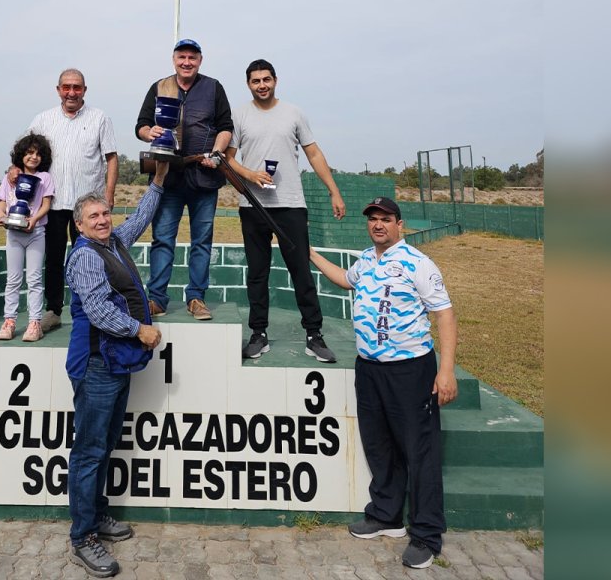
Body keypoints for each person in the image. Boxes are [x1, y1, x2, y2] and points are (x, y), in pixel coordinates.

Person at [309, 196, 458, 569]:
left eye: (386, 219)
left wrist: (446, 371)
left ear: (399, 224)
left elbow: (445, 315)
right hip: (370, 368)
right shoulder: (367, 260)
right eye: (373, 219)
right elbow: (345, 280)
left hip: (410, 369)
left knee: (418, 450)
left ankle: (426, 533)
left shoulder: (417, 264)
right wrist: (308, 252)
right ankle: (386, 516)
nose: (378, 225)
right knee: (379, 444)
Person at [63, 161, 168, 578]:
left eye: (106, 213)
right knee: (89, 451)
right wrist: (139, 329)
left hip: (113, 363)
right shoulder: (86, 257)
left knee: (104, 445)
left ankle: (97, 514)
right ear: (80, 226)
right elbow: (100, 312)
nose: (103, 220)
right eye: (94, 217)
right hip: (95, 364)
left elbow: (140, 217)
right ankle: (83, 536)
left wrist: (158, 180)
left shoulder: (113, 243)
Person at [224, 59, 346, 363]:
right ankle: (258, 334)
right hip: (253, 207)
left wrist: (334, 190)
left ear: (275, 81)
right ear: (248, 84)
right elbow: (227, 159)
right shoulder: (238, 115)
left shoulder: (294, 113)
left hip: (290, 204)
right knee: (257, 273)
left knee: (301, 271)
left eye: (266, 79)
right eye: (255, 81)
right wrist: (250, 176)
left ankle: (314, 335)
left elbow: (314, 153)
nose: (262, 85)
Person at [135, 39, 233, 321]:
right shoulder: (159, 86)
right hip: (168, 177)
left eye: (192, 57)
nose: (186, 62)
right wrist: (149, 132)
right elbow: (140, 125)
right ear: (174, 59)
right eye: (182, 57)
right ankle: (157, 299)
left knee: (202, 241)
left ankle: (196, 298)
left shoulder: (214, 87)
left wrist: (216, 151)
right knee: (162, 239)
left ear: (200, 60)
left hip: (204, 177)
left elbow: (226, 127)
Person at [23, 68, 118, 333]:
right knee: (53, 258)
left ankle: (89, 308)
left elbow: (111, 158)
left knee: (89, 258)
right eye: (66, 87)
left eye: (77, 87)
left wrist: (109, 194)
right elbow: (24, 153)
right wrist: (13, 170)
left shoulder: (99, 118)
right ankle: (53, 310)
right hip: (52, 202)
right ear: (58, 90)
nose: (71, 92)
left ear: (85, 90)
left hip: (87, 205)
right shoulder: (42, 120)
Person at [0, 133, 55, 342]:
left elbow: (46, 204)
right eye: (29, 153)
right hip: (14, 233)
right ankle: (9, 321)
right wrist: (1, 215)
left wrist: (34, 219)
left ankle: (34, 323)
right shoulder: (10, 177)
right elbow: (2, 202)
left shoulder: (45, 178)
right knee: (13, 280)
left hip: (36, 233)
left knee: (34, 279)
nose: (34, 157)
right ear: (21, 155)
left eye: (38, 154)